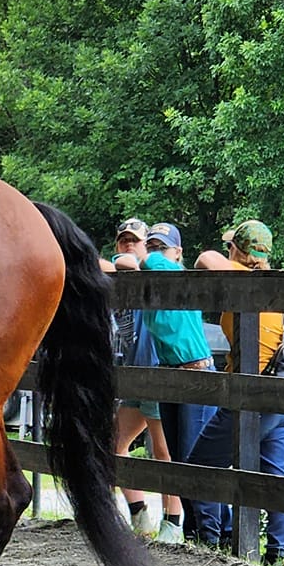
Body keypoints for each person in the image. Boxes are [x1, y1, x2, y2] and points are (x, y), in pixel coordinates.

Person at [183, 217, 284, 566]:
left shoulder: (245, 281)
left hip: (254, 394)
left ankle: (212, 538)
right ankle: (278, 551)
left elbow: (205, 258)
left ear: (240, 252)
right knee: (275, 473)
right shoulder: (271, 287)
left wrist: (234, 260)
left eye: (232, 245)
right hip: (283, 385)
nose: (226, 249)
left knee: (199, 468)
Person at [142, 222, 213, 546]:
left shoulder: (174, 275)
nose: (157, 254)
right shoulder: (154, 286)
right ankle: (195, 532)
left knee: (194, 458)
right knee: (177, 457)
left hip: (195, 373)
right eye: (153, 246)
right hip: (171, 373)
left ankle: (211, 535)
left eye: (163, 247)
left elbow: (139, 261)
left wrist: (149, 257)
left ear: (178, 253)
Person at [110, 218, 170, 539]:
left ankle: (173, 523)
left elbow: (129, 262)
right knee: (114, 441)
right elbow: (115, 263)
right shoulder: (120, 279)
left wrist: (135, 258)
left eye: (135, 239)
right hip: (135, 376)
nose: (128, 244)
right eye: (123, 240)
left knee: (163, 450)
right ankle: (140, 516)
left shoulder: (154, 269)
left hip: (158, 370)